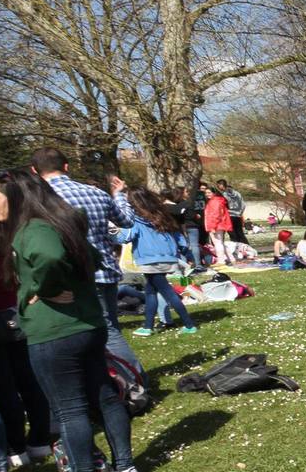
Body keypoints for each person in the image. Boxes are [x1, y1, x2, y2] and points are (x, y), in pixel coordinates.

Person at [0, 171, 138, 472]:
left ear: (15, 197)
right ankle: (126, 469)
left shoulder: (34, 229)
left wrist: (44, 288)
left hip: (57, 332)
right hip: (87, 325)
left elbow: (49, 258)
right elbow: (96, 257)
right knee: (104, 397)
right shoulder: (63, 223)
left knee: (70, 408)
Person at [31, 148, 144, 374]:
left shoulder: (38, 200)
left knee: (98, 331)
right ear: (66, 166)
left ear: (34, 171)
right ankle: (112, 378)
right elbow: (127, 220)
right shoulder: (96, 193)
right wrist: (119, 194)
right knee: (108, 328)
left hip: (68, 277)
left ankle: (134, 378)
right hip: (104, 271)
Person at [0, 239, 54, 471]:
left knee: (4, 386)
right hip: (16, 311)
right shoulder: (12, 234)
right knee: (28, 380)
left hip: (0, 313)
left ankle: (17, 446)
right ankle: (38, 439)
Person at [109, 185, 198, 337]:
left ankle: (189, 324)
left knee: (168, 293)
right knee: (150, 292)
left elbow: (126, 237)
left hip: (150, 261)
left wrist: (111, 234)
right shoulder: (163, 216)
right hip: (168, 258)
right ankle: (148, 326)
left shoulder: (135, 220)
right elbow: (178, 237)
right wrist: (187, 253)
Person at [204, 185, 235, 267]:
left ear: (214, 193)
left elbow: (216, 215)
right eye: (206, 193)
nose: (207, 194)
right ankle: (231, 258)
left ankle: (221, 260)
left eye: (209, 192)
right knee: (220, 243)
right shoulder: (216, 200)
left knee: (217, 243)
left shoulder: (215, 201)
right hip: (218, 225)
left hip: (216, 225)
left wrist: (213, 227)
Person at [218, 179, 246, 244]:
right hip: (237, 215)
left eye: (218, 185)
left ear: (222, 185)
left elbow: (223, 206)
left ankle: (236, 249)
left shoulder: (224, 195)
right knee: (240, 234)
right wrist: (240, 213)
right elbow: (243, 205)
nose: (218, 188)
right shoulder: (238, 194)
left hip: (229, 216)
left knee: (233, 234)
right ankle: (246, 248)